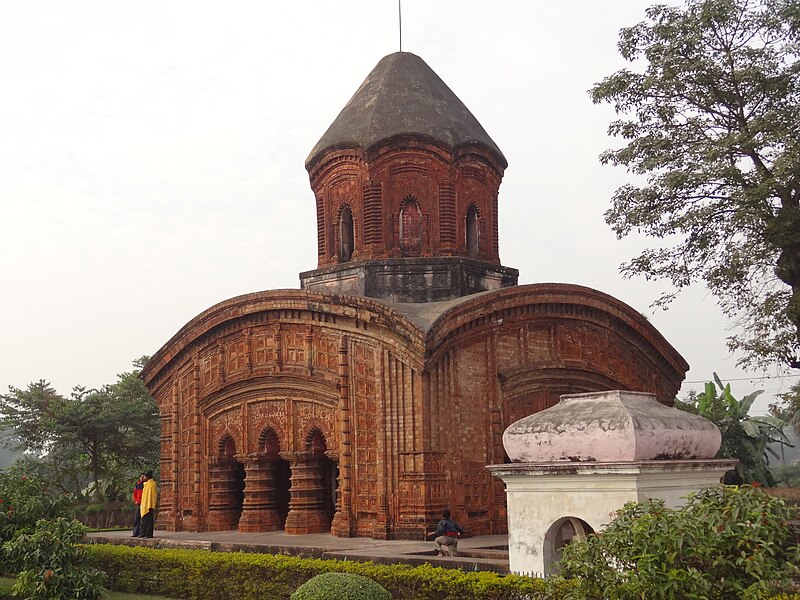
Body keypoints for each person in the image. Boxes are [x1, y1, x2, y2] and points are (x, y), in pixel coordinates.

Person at [138, 470, 157, 538]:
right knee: (144, 520)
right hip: (145, 504)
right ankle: (143, 533)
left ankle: (149, 534)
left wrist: (150, 504)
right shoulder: (146, 484)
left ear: (148, 477)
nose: (144, 478)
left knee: (149, 521)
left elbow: (152, 496)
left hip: (149, 505)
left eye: (145, 476)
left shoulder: (152, 484)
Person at [131, 473, 145, 537]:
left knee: (143, 519)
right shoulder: (137, 485)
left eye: (143, 477)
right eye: (141, 477)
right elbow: (135, 494)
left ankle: (141, 532)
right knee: (136, 518)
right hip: (138, 503)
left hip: (144, 503)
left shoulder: (145, 485)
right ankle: (135, 532)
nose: (142, 478)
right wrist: (136, 500)